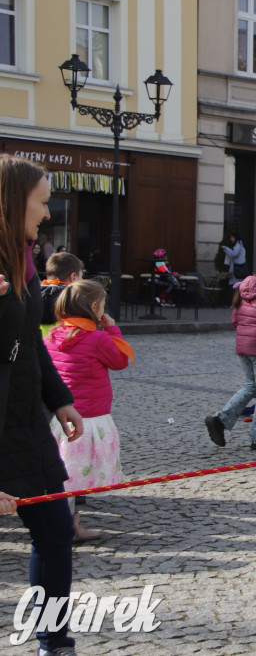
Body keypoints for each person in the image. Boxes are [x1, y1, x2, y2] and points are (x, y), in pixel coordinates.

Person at [0, 154, 86, 655]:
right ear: (14, 201)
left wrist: (59, 401)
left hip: (26, 424)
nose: (48, 213)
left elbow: (30, 341)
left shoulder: (22, 255)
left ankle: (54, 641)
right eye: (42, 202)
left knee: (55, 533)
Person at [45, 279, 133, 541]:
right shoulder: (97, 338)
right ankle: (69, 528)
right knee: (73, 477)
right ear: (95, 307)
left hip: (60, 417)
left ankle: (66, 523)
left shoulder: (52, 333)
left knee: (63, 473)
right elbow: (119, 361)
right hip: (89, 418)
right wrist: (113, 330)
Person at [205, 255, 256, 450]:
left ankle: (221, 421)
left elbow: (235, 321)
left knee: (251, 386)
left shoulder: (243, 289)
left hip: (243, 346)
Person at [40, 251, 84, 337]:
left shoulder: (32, 293)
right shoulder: (73, 297)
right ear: (73, 276)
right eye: (81, 276)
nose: (82, 280)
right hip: (60, 346)